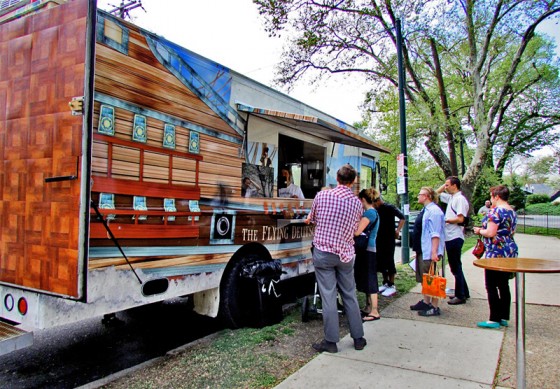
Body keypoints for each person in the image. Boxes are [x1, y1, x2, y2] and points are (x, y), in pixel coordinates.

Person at [305, 164, 366, 353]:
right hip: (346, 254)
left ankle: (331, 342)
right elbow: (355, 227)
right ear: (353, 181)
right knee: (349, 293)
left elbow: (311, 219)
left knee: (328, 296)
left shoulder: (322, 196)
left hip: (324, 252)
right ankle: (358, 338)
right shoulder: (357, 203)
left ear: (337, 179)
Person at [473, 185, 518, 329]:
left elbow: (491, 232)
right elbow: (512, 231)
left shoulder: (496, 211)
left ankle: (494, 319)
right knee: (503, 285)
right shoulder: (511, 211)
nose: (490, 199)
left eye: (491, 196)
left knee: (491, 284)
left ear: (497, 196)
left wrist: (479, 230)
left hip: (495, 251)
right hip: (509, 250)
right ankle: (504, 316)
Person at [410, 187, 446, 316]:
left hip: (430, 251)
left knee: (433, 278)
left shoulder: (435, 212)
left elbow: (435, 233)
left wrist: (434, 252)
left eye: (420, 194)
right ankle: (426, 302)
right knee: (425, 278)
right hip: (422, 249)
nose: (418, 196)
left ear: (426, 196)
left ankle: (434, 306)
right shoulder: (426, 210)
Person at [436, 176, 470, 305]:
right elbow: (436, 194)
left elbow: (461, 219)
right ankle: (463, 291)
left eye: (447, 185)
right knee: (456, 266)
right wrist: (443, 186)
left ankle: (460, 295)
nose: (446, 187)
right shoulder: (451, 198)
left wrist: (447, 220)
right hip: (449, 235)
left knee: (455, 267)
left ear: (454, 186)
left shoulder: (460, 199)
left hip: (455, 236)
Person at [354, 188, 381, 322]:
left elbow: (357, 232)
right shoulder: (373, 212)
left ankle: (374, 310)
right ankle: (368, 307)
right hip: (370, 248)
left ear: (363, 200)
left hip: (367, 249)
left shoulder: (369, 214)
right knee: (367, 276)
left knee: (370, 278)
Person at [373, 196, 405, 297]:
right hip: (379, 237)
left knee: (389, 259)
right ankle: (385, 281)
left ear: (378, 201)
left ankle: (391, 283)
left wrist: (397, 230)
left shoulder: (390, 207)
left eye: (375, 202)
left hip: (389, 237)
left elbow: (402, 218)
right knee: (380, 259)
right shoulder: (376, 209)